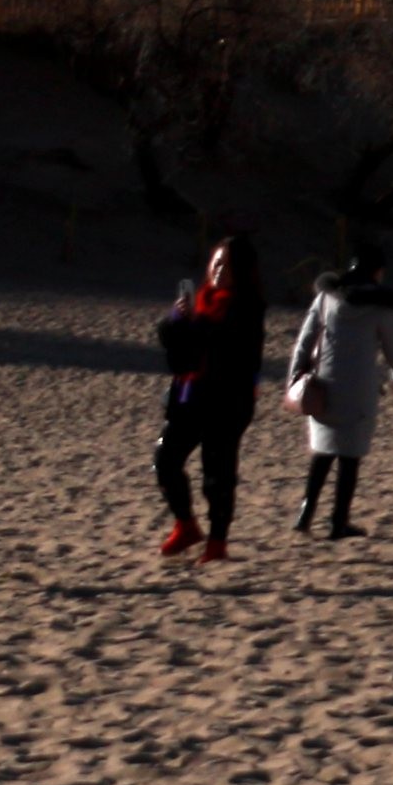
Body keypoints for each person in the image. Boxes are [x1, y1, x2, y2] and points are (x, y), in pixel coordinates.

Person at [151, 231, 268, 561]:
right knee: (165, 461)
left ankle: (218, 540)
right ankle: (186, 524)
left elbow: (220, 343)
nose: (218, 271)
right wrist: (176, 320)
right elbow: (175, 347)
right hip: (188, 398)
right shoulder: (202, 301)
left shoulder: (247, 307)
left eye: (227, 266)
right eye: (216, 263)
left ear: (242, 271)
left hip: (227, 402)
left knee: (217, 473)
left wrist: (190, 325)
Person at [283, 250, 393, 540]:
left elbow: (304, 340)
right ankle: (338, 521)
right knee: (349, 458)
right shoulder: (382, 306)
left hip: (324, 384)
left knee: (322, 452)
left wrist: (295, 377)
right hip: (360, 388)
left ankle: (306, 513)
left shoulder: (328, 297)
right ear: (377, 272)